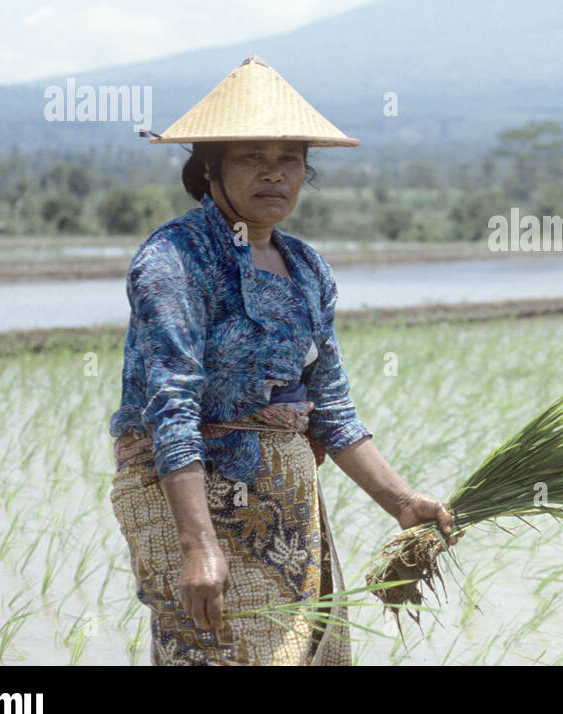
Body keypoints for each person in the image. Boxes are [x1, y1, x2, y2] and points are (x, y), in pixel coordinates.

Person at [109, 55, 457, 665]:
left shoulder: (307, 268)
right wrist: (199, 547)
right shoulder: (174, 260)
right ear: (209, 168)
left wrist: (403, 505)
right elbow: (172, 407)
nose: (274, 175)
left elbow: (332, 410)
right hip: (197, 504)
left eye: (289, 160)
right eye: (251, 158)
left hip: (287, 506)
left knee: (307, 657)